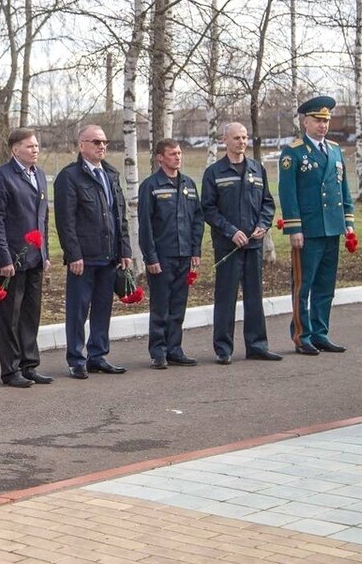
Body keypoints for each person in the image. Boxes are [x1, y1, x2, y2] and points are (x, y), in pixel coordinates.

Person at [53, 124, 133, 378]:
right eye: (96, 142)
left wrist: (125, 249)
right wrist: (73, 254)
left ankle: (97, 355)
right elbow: (66, 221)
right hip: (84, 258)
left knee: (102, 307)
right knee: (78, 309)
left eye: (104, 142)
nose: (102, 146)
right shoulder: (70, 177)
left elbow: (119, 215)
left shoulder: (110, 174)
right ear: (82, 145)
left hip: (109, 255)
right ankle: (77, 359)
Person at [278, 96, 355, 356]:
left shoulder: (334, 149)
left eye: (326, 121)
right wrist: (294, 228)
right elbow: (288, 193)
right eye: (317, 121)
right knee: (303, 285)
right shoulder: (294, 152)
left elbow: (342, 187)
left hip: (332, 227)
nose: (322, 126)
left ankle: (321, 333)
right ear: (305, 121)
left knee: (326, 286)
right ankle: (302, 336)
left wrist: (348, 221)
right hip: (308, 229)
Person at [202, 122, 281, 364]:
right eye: (237, 138)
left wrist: (263, 225)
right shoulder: (214, 172)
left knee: (254, 296)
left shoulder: (257, 169)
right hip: (229, 246)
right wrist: (230, 231)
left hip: (254, 245)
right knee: (226, 297)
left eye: (245, 137)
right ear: (225, 140)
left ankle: (257, 345)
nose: (242, 142)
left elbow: (267, 202)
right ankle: (223, 349)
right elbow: (208, 209)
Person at [0, 127, 52, 388]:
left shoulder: (40, 176)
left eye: (36, 146)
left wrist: (44, 252)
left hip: (35, 259)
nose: (35, 150)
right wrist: (4, 258)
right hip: (12, 260)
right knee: (9, 316)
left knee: (30, 314)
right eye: (29, 146)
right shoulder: (2, 177)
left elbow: (42, 218)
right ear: (15, 149)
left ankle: (29, 365)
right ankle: (10, 369)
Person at [137, 138, 204, 368]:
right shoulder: (151, 185)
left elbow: (197, 219)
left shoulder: (188, 184)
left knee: (178, 304)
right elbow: (145, 226)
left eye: (179, 153)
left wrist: (196, 250)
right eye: (172, 153)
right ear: (160, 157)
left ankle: (175, 349)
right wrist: (151, 258)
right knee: (161, 305)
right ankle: (158, 351)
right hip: (162, 257)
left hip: (184, 254)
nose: (177, 157)